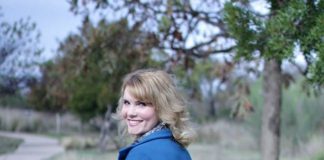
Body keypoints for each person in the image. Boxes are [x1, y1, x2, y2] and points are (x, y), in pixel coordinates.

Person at [117, 69, 195, 160]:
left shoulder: (141, 154)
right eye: (126, 102)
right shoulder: (178, 149)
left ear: (162, 107)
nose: (130, 113)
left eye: (142, 104)